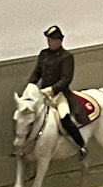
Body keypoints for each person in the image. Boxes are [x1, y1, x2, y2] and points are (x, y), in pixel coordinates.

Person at [27, 26, 87, 158]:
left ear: (60, 40)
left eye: (53, 40)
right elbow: (37, 73)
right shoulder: (44, 54)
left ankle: (81, 145)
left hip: (59, 95)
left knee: (64, 118)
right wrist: (30, 86)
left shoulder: (66, 57)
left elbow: (66, 78)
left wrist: (53, 89)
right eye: (49, 39)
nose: (50, 42)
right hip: (44, 95)